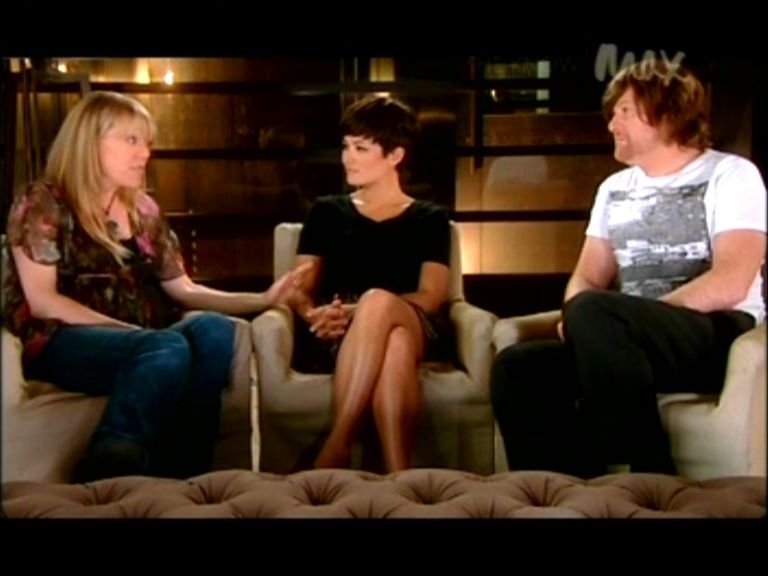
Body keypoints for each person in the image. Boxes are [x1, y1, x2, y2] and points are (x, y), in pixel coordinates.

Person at [3, 91, 308, 482]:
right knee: (166, 347)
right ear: (89, 141)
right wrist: (137, 337)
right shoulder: (43, 202)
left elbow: (182, 289)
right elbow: (44, 301)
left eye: (147, 142)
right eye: (131, 140)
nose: (144, 153)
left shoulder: (142, 209)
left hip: (147, 342)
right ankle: (108, 470)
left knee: (214, 330)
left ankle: (183, 475)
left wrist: (262, 298)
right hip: (62, 341)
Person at [491, 58, 766, 477]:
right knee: (518, 367)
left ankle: (648, 472)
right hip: (622, 344)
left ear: (668, 115)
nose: (611, 124)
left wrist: (628, 319)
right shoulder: (613, 189)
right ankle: (570, 493)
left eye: (625, 111)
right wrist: (580, 320)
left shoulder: (731, 175)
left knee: (594, 311)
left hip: (714, 332)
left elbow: (732, 280)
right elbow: (587, 276)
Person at [286, 95, 452, 472]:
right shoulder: (326, 212)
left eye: (361, 148)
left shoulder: (429, 218)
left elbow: (431, 296)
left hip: (414, 319)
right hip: (343, 332)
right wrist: (314, 315)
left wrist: (363, 308)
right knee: (395, 345)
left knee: (380, 303)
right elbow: (299, 288)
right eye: (346, 146)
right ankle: (399, 476)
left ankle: (337, 444)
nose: (348, 158)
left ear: (395, 155)